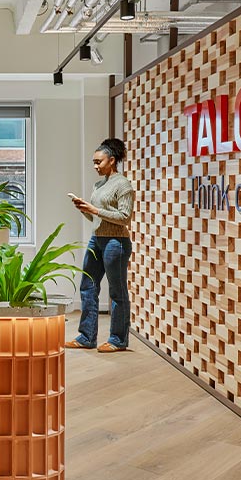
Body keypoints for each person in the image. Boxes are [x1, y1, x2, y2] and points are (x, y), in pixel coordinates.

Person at [65, 138, 135, 353]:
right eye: (93, 162)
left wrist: (94, 210)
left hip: (117, 243)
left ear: (112, 160)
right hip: (97, 239)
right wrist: (85, 210)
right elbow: (98, 219)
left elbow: (124, 217)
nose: (95, 166)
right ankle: (87, 336)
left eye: (99, 162)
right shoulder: (98, 184)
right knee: (87, 287)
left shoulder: (123, 185)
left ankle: (118, 340)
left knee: (117, 291)